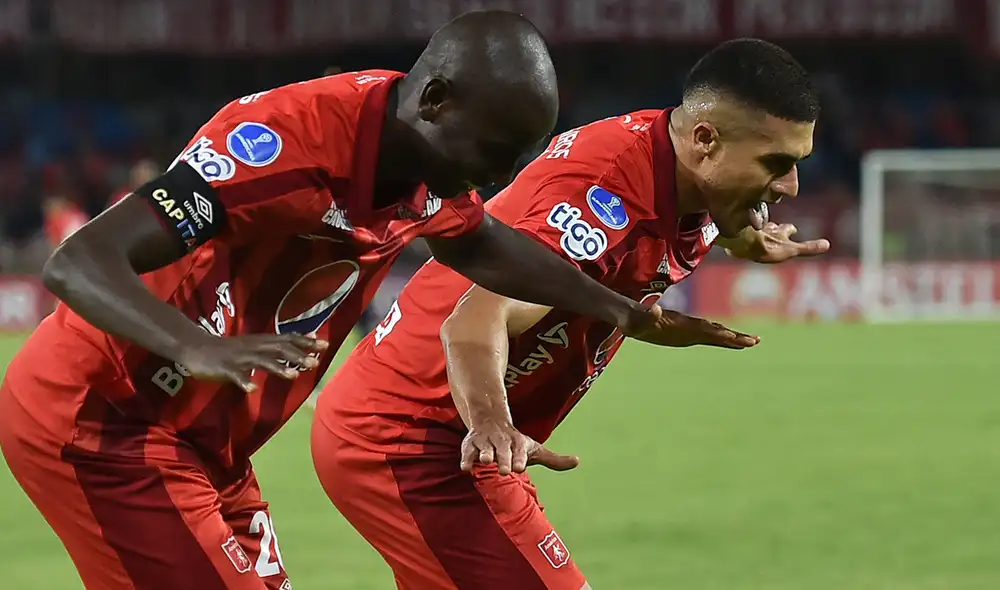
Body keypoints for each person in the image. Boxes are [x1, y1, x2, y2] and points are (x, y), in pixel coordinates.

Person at [0, 11, 694, 590]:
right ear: (435, 101)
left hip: (205, 444)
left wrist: (618, 309)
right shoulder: (281, 144)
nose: (495, 175)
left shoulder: (427, 164)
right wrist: (193, 345)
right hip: (106, 422)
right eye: (494, 151)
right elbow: (80, 260)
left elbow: (481, 243)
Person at [311, 38, 829, 590]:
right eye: (777, 164)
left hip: (444, 436)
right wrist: (492, 425)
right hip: (416, 441)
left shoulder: (684, 171)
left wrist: (744, 237)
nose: (791, 186)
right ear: (706, 140)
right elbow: (473, 319)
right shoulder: (602, 200)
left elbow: (676, 226)